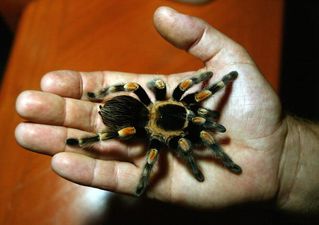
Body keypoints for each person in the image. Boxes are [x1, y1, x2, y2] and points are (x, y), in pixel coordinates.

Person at [15, 6, 319, 215]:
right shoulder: (176, 129)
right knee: (132, 121)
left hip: (139, 112)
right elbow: (185, 142)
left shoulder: (179, 102)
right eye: (191, 110)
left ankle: (87, 133)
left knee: (140, 99)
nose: (191, 113)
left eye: (190, 111)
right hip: (132, 120)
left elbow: (196, 91)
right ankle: (84, 141)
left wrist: (282, 159)